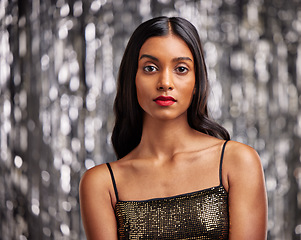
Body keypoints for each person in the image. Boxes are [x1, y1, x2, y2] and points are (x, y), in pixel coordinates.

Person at [79, 16, 267, 239]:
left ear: (197, 82)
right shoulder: (101, 183)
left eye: (181, 68)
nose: (165, 82)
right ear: (132, 79)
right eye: (150, 68)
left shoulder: (237, 161)